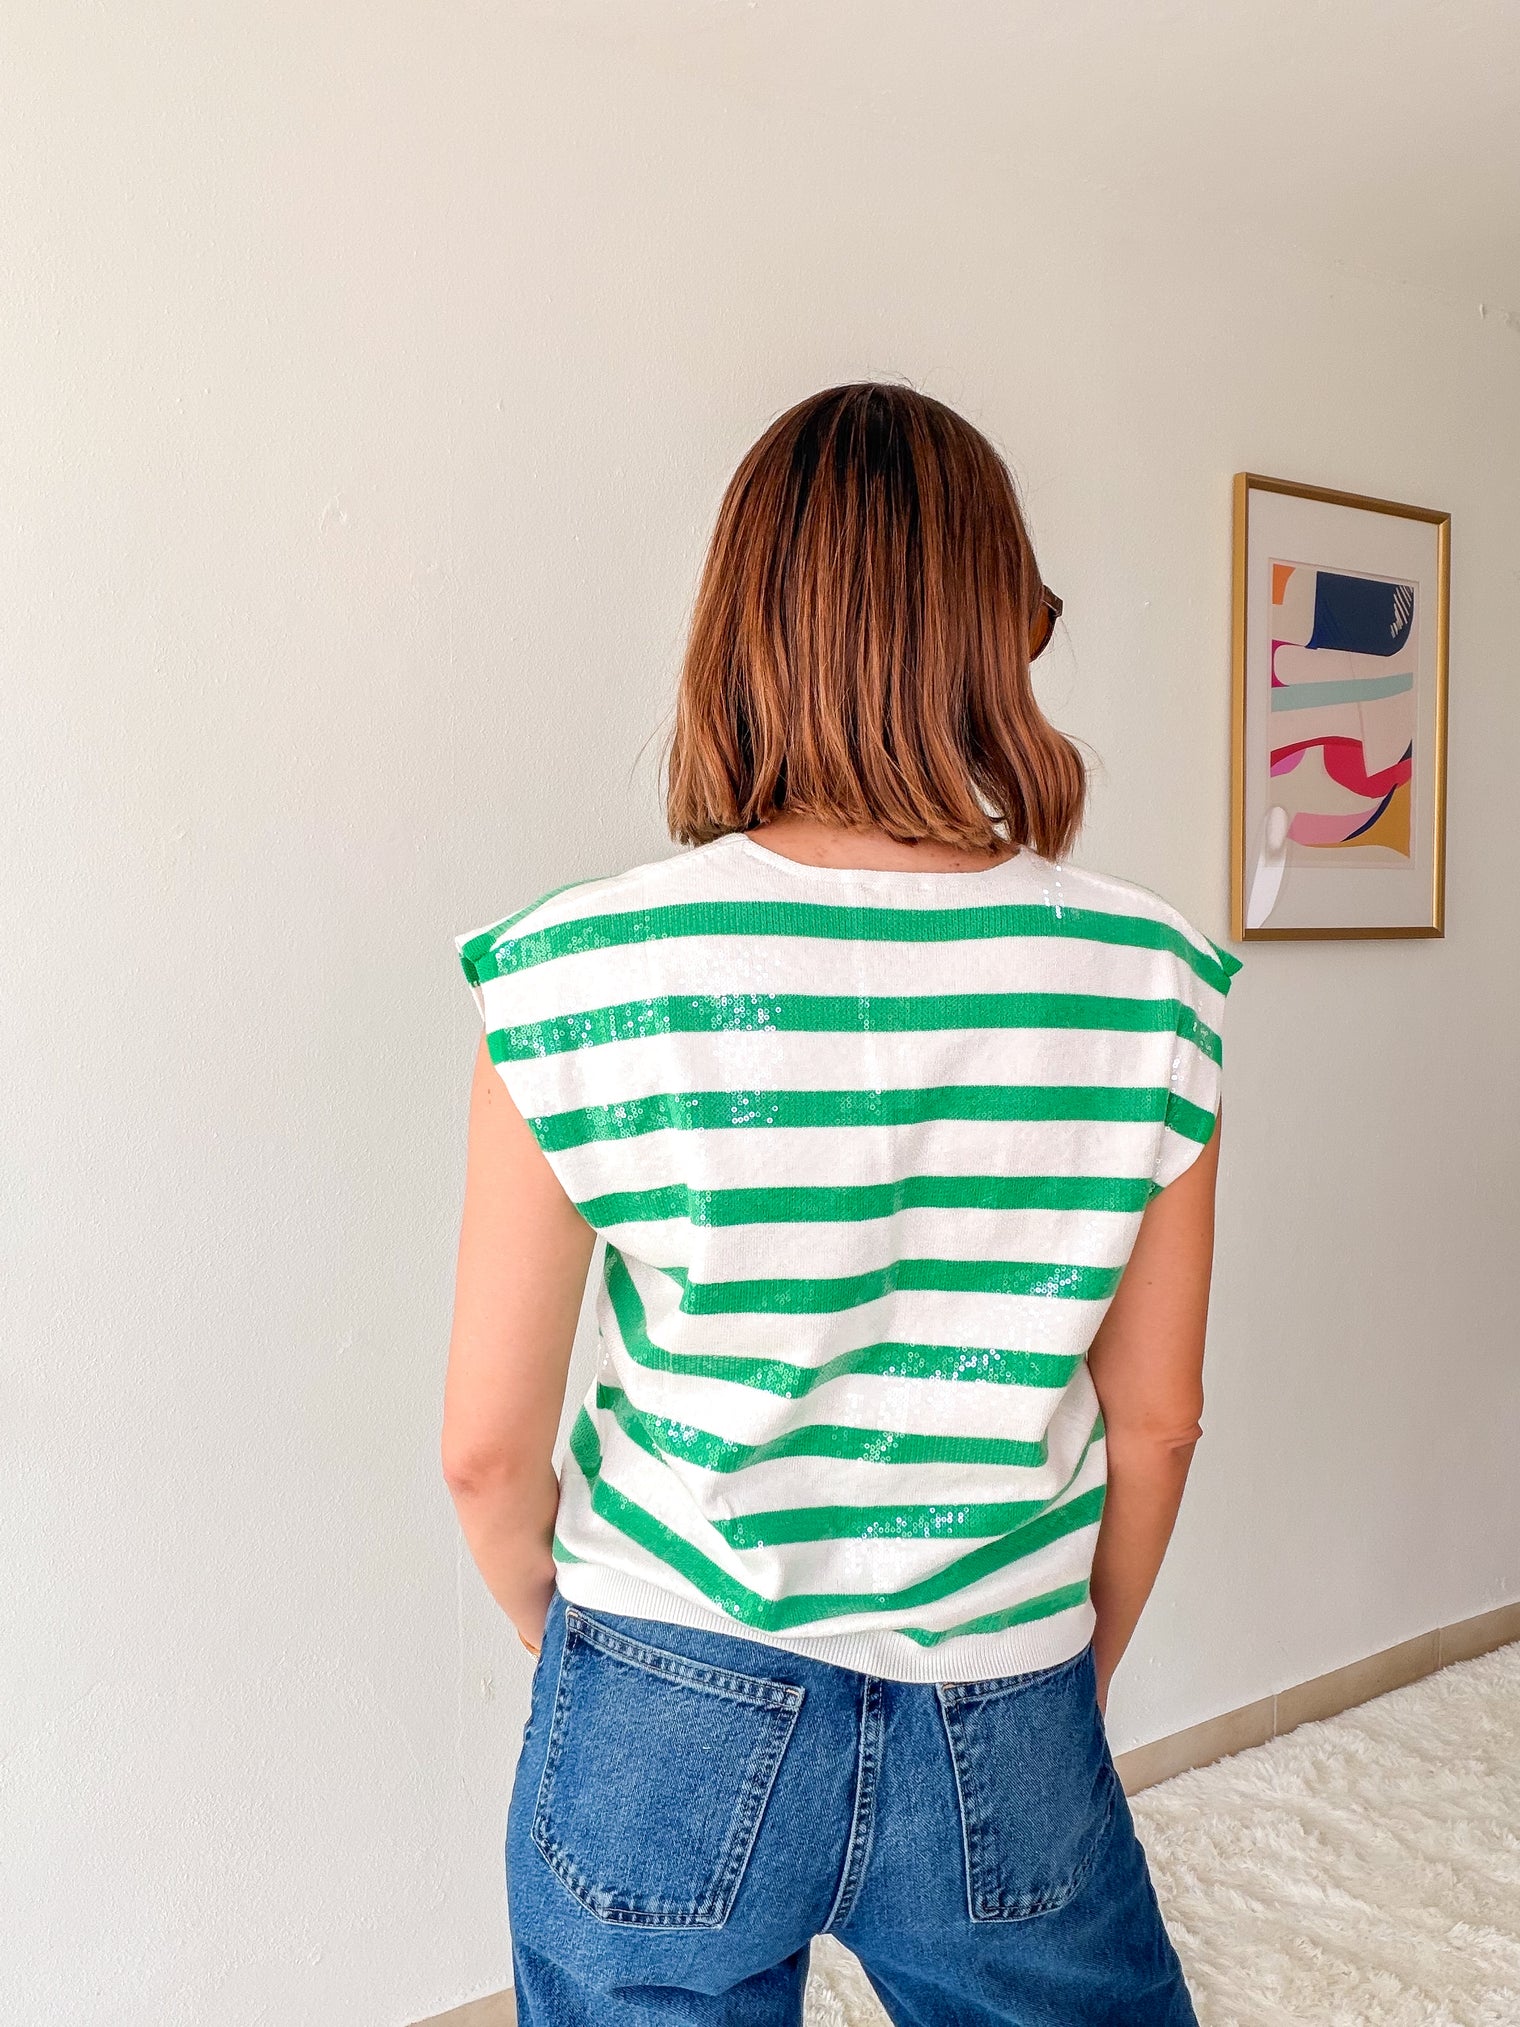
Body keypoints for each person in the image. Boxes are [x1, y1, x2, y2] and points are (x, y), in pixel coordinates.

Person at [443, 382, 1240, 2026]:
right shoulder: (1148, 976)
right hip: (999, 1684)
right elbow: (1157, 1423)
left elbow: (484, 1453)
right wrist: (1062, 1679)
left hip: (661, 1670)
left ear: (741, 631)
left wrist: (588, 1649)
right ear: (996, 635)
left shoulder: (579, 970)